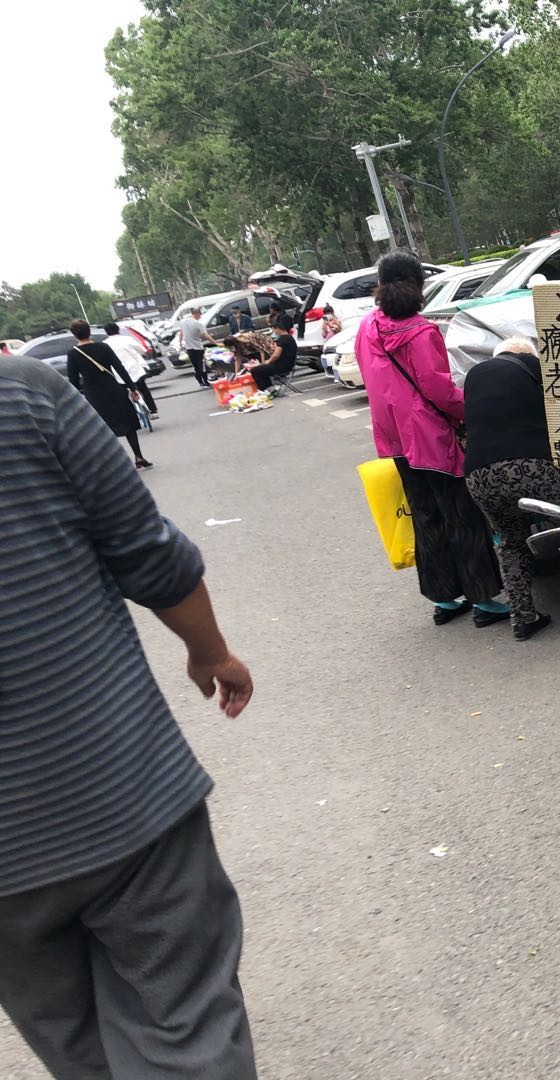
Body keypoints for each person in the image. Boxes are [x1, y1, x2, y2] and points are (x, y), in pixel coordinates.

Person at [0, 355, 257, 1079]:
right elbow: (145, 550)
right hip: (117, 788)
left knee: (75, 1047)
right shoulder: (25, 395)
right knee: (186, 1024)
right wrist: (210, 652)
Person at [356, 251, 508, 628]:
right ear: (419, 284)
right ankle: (483, 600)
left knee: (425, 516)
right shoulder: (420, 332)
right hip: (432, 440)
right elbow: (439, 390)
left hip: (393, 440)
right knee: (462, 516)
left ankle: (445, 598)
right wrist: (472, 410)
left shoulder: (367, 327)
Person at [463, 337, 560, 640]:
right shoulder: (534, 367)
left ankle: (523, 618)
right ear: (528, 354)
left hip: (479, 474)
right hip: (531, 466)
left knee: (511, 542)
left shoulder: (474, 376)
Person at [66, 320, 153, 471]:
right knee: (128, 424)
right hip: (114, 389)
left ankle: (112, 463)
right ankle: (138, 457)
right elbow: (119, 368)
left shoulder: (73, 354)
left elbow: (72, 380)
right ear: (89, 331)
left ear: (74, 335)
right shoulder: (103, 347)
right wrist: (132, 388)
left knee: (101, 429)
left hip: (93, 395)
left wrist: (76, 397)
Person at [103, 321, 158, 417]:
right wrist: (144, 354)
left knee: (123, 395)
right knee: (143, 389)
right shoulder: (127, 339)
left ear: (106, 332)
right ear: (118, 329)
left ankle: (131, 415)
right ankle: (153, 410)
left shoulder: (104, 344)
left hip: (118, 375)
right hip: (135, 370)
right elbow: (143, 350)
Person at [246, 314, 298, 393]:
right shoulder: (289, 338)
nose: (274, 332)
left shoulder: (282, 339)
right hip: (288, 365)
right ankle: (271, 389)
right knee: (262, 369)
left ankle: (265, 390)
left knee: (255, 370)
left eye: (274, 329)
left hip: (281, 367)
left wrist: (269, 361)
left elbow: (276, 356)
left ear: (277, 328)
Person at [180, 306, 217, 387]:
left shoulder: (184, 322)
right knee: (202, 365)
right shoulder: (198, 324)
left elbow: (181, 333)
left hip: (189, 348)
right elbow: (205, 335)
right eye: (200, 314)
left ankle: (200, 382)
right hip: (198, 348)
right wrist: (215, 343)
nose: (200, 317)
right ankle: (206, 382)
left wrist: (180, 344)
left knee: (195, 366)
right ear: (197, 314)